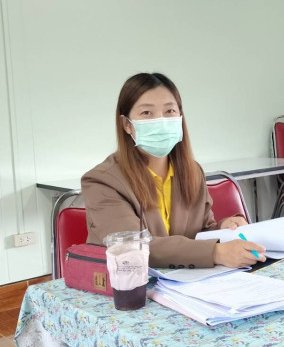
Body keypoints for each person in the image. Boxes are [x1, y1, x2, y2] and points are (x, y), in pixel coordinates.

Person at [82, 72, 265, 269]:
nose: (161, 121)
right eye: (147, 113)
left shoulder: (192, 171)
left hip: (186, 281)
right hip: (129, 283)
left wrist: (224, 227)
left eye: (169, 111)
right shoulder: (102, 181)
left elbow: (200, 233)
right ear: (127, 124)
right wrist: (215, 252)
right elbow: (132, 247)